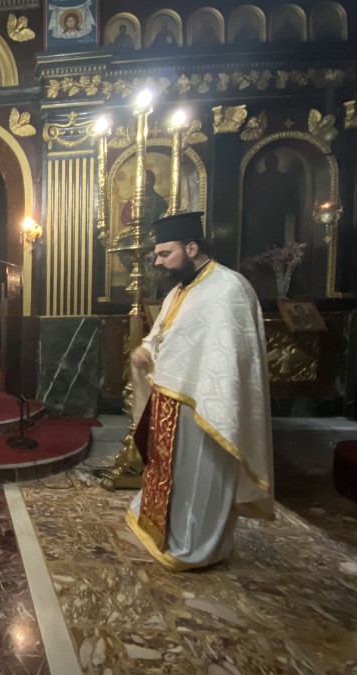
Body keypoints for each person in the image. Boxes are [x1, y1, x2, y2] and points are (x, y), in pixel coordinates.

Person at [127, 211, 274, 571]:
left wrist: (204, 389)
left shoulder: (229, 288)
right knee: (174, 474)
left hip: (207, 406)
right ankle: (166, 528)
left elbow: (232, 358)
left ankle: (198, 543)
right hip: (172, 401)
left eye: (165, 253)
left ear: (191, 248)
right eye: (157, 255)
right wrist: (146, 349)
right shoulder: (180, 290)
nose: (158, 262)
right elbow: (163, 334)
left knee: (202, 478)